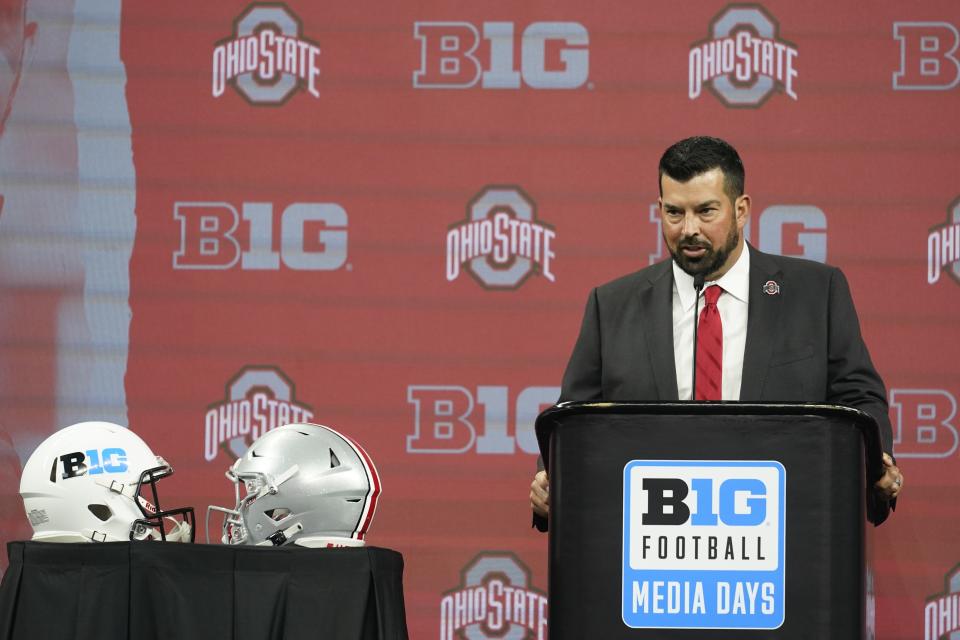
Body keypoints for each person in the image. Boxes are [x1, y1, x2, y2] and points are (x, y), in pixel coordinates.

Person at [529, 136, 902, 529]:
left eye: (706, 211)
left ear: (741, 210)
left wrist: (877, 461)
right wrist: (548, 477)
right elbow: (574, 416)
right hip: (654, 539)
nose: (689, 229)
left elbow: (859, 398)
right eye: (674, 213)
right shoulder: (613, 304)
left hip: (785, 529)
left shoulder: (814, 292)